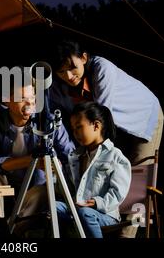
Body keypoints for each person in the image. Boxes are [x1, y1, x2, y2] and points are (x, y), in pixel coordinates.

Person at [0, 77, 75, 232]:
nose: (29, 104)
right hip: (7, 181)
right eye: (22, 99)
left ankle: (10, 231)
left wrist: (57, 166)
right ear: (6, 100)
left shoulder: (47, 121)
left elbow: (71, 155)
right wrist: (32, 161)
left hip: (37, 184)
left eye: (32, 98)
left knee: (43, 191)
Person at [49, 40, 164, 166]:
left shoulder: (102, 69)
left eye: (72, 68)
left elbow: (100, 117)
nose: (69, 76)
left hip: (144, 114)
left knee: (139, 176)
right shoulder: (57, 87)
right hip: (117, 126)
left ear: (84, 58)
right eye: (61, 72)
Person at [56, 101, 131, 238]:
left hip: (104, 214)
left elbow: (118, 192)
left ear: (96, 125)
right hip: (77, 207)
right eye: (73, 129)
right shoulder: (75, 156)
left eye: (79, 127)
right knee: (53, 206)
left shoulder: (115, 156)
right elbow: (68, 188)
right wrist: (58, 173)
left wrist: (98, 203)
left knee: (85, 213)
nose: (75, 133)